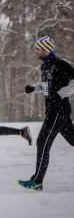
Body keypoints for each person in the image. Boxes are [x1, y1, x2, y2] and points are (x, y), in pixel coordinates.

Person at [18, 36, 74, 191]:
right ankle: (37, 181)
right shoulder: (45, 67)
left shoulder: (60, 64)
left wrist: (61, 94)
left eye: (38, 49)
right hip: (52, 110)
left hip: (58, 110)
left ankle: (37, 181)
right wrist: (34, 88)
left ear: (46, 49)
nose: (36, 52)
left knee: (42, 141)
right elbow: (48, 86)